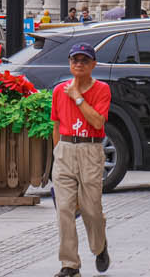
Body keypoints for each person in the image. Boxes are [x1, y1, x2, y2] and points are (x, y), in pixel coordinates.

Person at [50, 43, 112, 277]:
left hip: (90, 150)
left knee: (91, 209)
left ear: (93, 65)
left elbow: (98, 122)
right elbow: (56, 124)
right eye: (74, 60)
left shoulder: (102, 90)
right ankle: (70, 264)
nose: (78, 64)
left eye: (84, 60)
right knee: (64, 209)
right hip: (65, 150)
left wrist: (77, 98)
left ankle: (100, 246)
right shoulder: (58, 91)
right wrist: (57, 153)